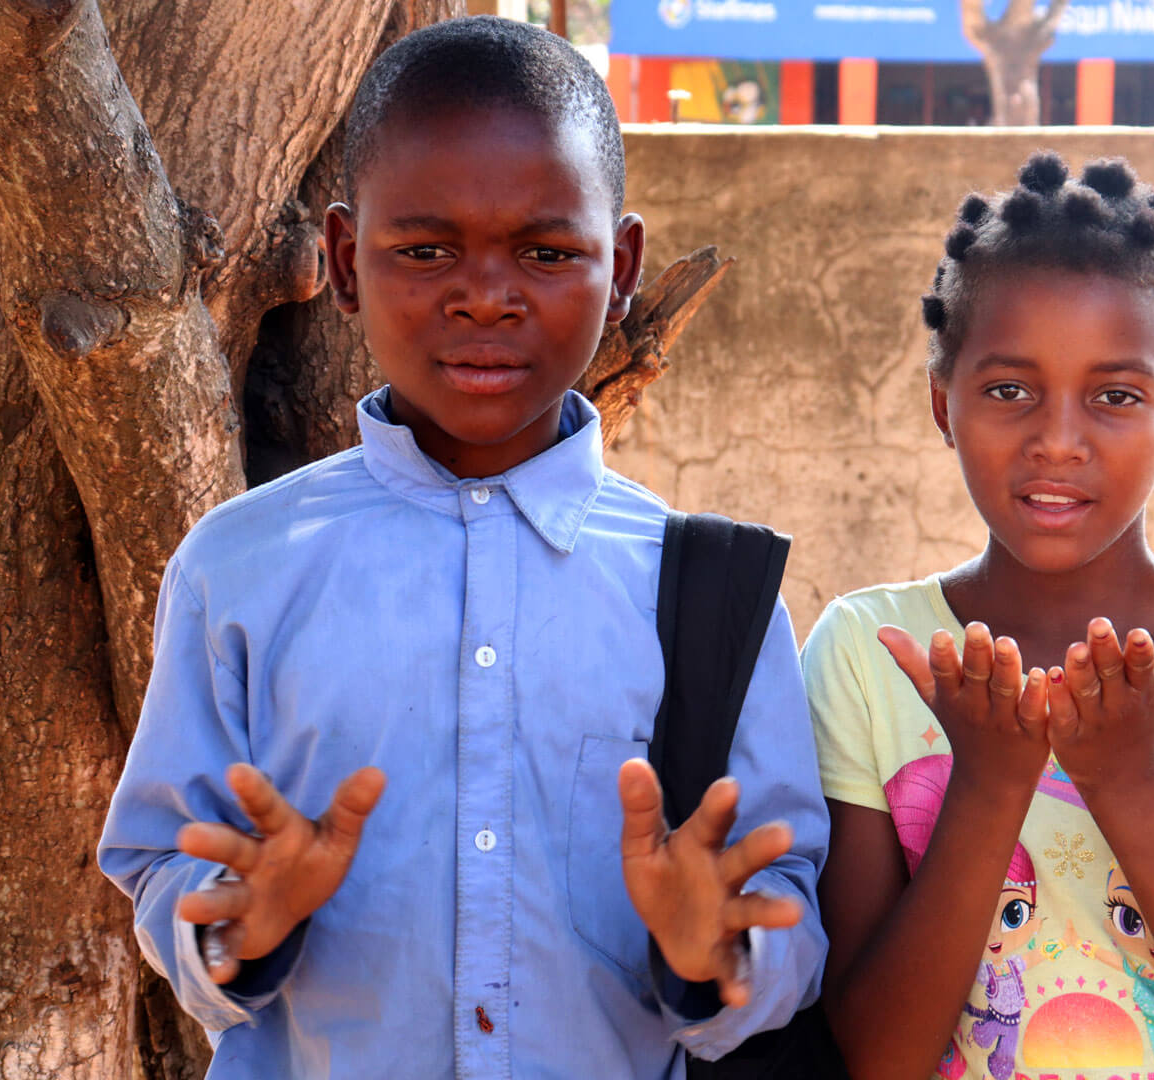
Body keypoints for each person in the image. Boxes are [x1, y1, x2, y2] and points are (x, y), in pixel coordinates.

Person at [96, 18, 827, 1078]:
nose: (485, 294)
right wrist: (233, 926)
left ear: (619, 268)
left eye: (545, 250)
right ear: (345, 261)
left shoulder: (710, 594)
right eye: (426, 249)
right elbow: (164, 863)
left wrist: (718, 951)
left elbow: (787, 902)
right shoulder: (239, 569)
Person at [803, 152, 1154, 1080]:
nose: (1057, 439)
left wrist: (1128, 780)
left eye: (1116, 396)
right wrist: (989, 784)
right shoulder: (873, 653)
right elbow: (875, 1053)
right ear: (941, 404)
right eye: (1006, 390)